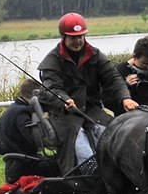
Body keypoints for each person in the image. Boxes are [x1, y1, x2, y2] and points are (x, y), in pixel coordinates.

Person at [37, 12, 138, 174]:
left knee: (112, 133)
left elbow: (113, 79)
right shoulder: (52, 60)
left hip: (92, 110)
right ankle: (91, 176)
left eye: (81, 37)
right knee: (80, 144)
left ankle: (124, 172)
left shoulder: (95, 55)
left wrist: (125, 98)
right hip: (65, 115)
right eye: (73, 38)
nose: (78, 41)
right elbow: (51, 88)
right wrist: (64, 100)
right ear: (63, 37)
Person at [0, 78, 60, 183]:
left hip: (12, 163)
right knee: (60, 165)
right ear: (36, 95)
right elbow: (33, 137)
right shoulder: (22, 112)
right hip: (24, 163)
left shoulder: (11, 109)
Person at [114, 36, 148, 113]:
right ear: (135, 57)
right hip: (127, 118)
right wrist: (125, 86)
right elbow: (107, 102)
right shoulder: (119, 71)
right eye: (145, 63)